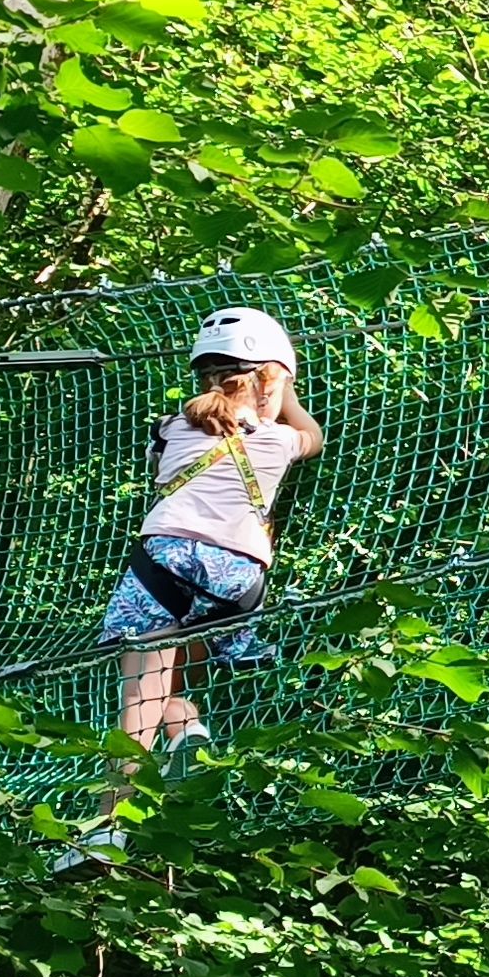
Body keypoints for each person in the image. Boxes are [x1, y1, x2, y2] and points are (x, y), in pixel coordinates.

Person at [94, 305, 321, 760]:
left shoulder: (169, 428)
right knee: (182, 667)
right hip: (238, 574)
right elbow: (312, 435)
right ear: (271, 384)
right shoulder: (279, 439)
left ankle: (110, 824)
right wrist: (286, 395)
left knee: (138, 701)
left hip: (164, 559)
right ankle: (186, 726)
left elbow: (159, 468)